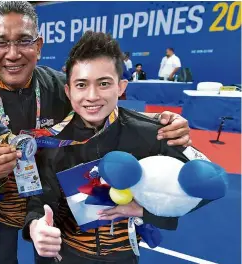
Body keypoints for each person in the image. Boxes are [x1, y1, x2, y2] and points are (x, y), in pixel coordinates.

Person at [0, 2, 192, 264]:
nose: (12, 54)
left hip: (56, 210)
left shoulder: (63, 86)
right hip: (1, 210)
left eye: (24, 40)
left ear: (38, 45)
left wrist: (158, 121)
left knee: (47, 256)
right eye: (1, 43)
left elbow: (99, 108)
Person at [24, 31, 210, 264]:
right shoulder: (52, 141)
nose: (92, 96)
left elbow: (206, 186)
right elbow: (39, 199)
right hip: (66, 254)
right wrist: (35, 225)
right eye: (81, 85)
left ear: (121, 87)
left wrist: (145, 211)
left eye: (104, 83)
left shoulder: (153, 132)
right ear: (68, 91)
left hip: (123, 256)